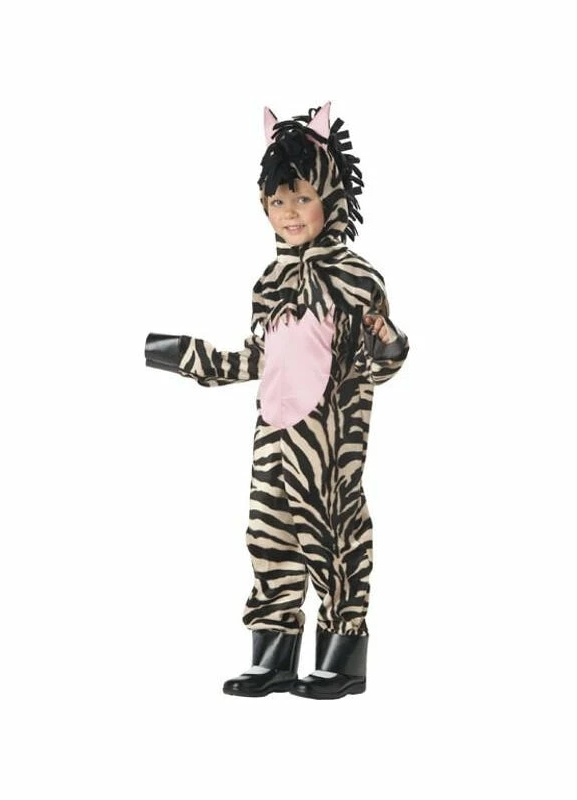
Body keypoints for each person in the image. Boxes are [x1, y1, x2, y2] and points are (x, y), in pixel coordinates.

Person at [145, 101, 409, 699]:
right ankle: (273, 658)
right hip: (271, 439)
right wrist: (178, 354)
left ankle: (343, 659)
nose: (289, 213)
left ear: (331, 199)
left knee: (334, 541)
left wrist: (390, 344)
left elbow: (377, 365)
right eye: (277, 201)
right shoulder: (270, 282)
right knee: (268, 541)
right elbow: (255, 360)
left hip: (329, 445)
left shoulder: (357, 278)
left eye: (302, 198)